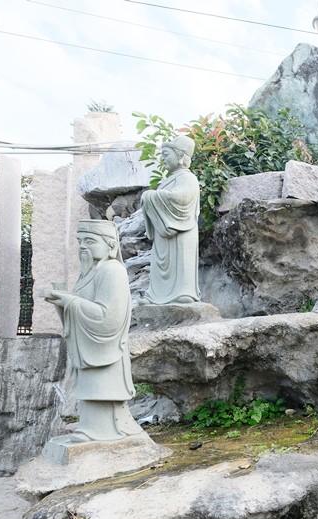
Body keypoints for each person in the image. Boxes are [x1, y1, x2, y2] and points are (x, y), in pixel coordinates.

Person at [40, 220, 143, 443]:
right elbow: (81, 306)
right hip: (86, 345)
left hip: (104, 346)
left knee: (102, 388)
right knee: (90, 389)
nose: (83, 247)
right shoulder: (87, 274)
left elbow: (109, 317)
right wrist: (63, 302)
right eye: (79, 242)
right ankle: (91, 427)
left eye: (90, 241)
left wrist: (71, 302)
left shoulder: (113, 271)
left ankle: (104, 430)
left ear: (111, 246)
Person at [139, 134, 201, 304]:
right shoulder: (167, 181)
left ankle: (184, 292)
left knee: (182, 261)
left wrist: (151, 196)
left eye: (166, 155)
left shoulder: (189, 178)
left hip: (182, 229)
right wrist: (154, 197)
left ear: (180, 156)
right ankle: (156, 295)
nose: (162, 159)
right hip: (163, 229)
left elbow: (182, 199)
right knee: (161, 262)